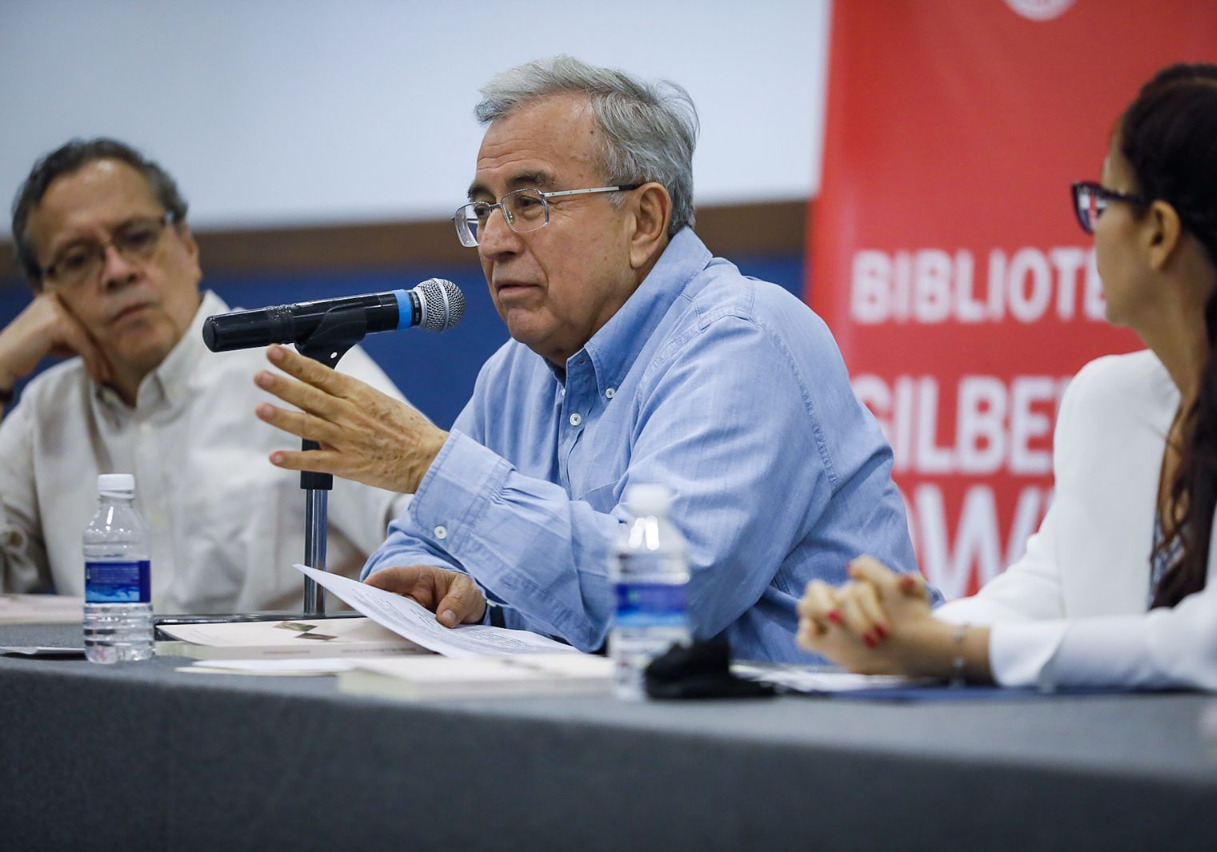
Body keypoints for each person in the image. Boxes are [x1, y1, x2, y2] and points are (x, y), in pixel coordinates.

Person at [252, 55, 927, 662]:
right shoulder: (515, 372)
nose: (493, 241)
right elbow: (420, 545)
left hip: (802, 739)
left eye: (529, 203)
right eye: (483, 210)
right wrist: (439, 585)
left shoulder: (740, 340)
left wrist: (433, 466)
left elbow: (666, 603)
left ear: (643, 221)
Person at [797, 63, 1217, 692]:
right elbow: (1048, 591)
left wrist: (945, 648)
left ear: (1159, 233)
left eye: (1103, 200)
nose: (1094, 229)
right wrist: (894, 631)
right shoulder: (1107, 400)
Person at [0, 138, 410, 613]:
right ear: (44, 292)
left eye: (137, 237)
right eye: (77, 258)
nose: (117, 271)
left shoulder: (300, 371)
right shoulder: (46, 412)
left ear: (188, 245)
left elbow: (425, 528)